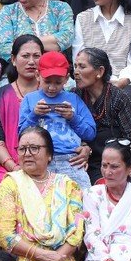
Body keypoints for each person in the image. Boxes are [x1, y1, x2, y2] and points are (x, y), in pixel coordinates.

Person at [0, 127, 84, 261]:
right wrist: (43, 256)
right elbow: (5, 236)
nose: (27, 154)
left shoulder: (67, 185)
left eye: (34, 148)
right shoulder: (10, 185)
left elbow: (76, 233)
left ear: (49, 154)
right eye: (23, 149)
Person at [18, 52, 96, 189]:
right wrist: (34, 115)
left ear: (66, 79)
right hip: (40, 160)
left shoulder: (74, 99)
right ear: (37, 76)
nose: (52, 87)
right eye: (47, 81)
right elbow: (21, 134)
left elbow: (90, 133)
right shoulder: (30, 100)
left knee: (82, 198)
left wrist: (73, 117)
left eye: (58, 82)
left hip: (71, 160)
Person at [74, 49, 131, 185]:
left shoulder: (118, 98)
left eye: (82, 67)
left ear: (100, 72)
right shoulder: (74, 96)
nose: (76, 72)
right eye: (75, 67)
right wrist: (84, 146)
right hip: (83, 160)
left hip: (114, 162)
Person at [0, 35, 42, 184]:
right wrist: (14, 168)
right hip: (11, 167)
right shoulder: (0, 96)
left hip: (50, 165)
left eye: (36, 56)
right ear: (13, 59)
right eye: (25, 56)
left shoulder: (54, 94)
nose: (31, 61)